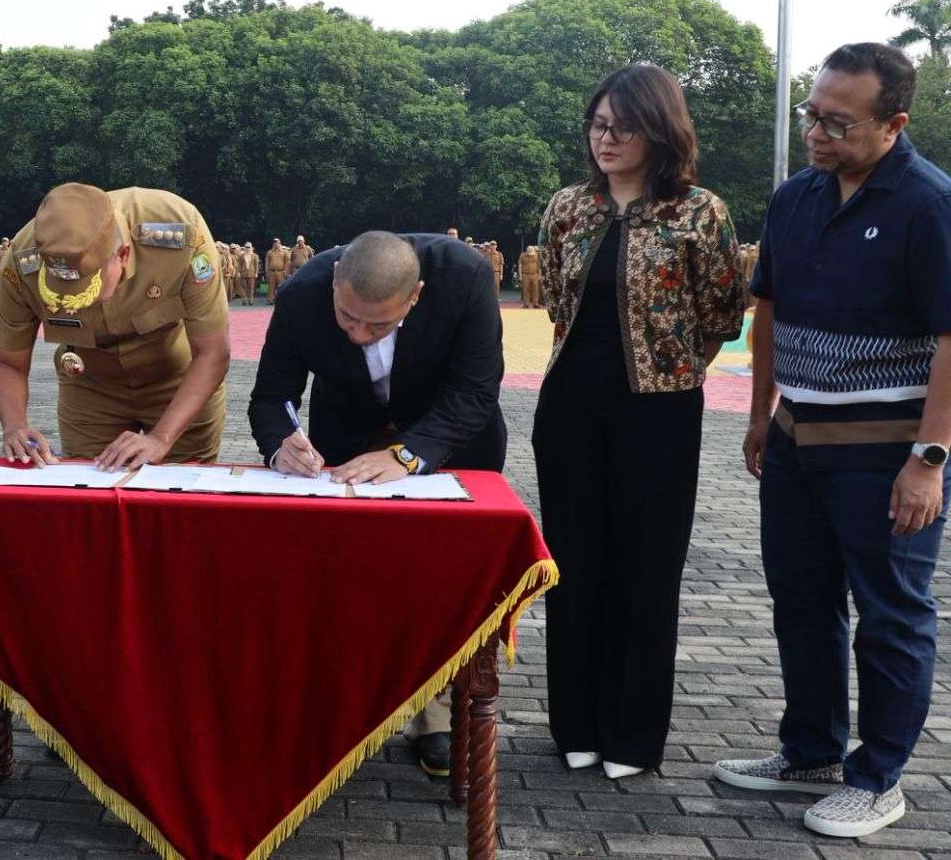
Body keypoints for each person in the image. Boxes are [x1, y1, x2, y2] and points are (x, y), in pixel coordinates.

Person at [714, 44, 951, 838]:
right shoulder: (795, 198)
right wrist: (760, 414)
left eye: (837, 123)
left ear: (894, 125)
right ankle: (811, 747)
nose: (817, 132)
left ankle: (878, 777)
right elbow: (769, 307)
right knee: (802, 601)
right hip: (794, 437)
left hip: (886, 448)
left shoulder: (928, 203)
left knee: (891, 613)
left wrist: (930, 461)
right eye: (811, 114)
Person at [534, 63, 743, 781]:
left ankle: (632, 733)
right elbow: (558, 307)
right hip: (569, 406)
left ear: (660, 129)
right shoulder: (568, 207)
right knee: (573, 562)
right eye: (598, 124)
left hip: (660, 412)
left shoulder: (699, 211)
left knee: (646, 568)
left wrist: (672, 366)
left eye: (622, 125)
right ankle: (576, 724)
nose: (607, 138)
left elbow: (721, 312)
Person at [248, 229, 507, 777]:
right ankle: (344, 711)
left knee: (443, 581)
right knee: (346, 578)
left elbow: (477, 389)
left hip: (450, 440)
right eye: (347, 320)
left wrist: (411, 455)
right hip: (345, 444)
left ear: (415, 295)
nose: (361, 336)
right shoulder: (302, 291)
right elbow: (273, 395)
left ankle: (436, 713)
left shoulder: (465, 276)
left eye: (380, 324)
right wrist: (280, 448)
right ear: (336, 282)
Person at [0, 183, 229, 469]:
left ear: (123, 255)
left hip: (177, 383)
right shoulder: (21, 263)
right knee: (92, 494)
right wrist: (15, 425)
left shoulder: (181, 233)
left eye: (86, 286)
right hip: (91, 389)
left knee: (180, 496)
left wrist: (161, 439)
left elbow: (213, 353)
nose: (74, 299)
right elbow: (9, 362)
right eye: (60, 287)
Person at [265, 238, 289, 303]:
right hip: (272, 272)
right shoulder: (269, 252)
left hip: (281, 272)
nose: (276, 244)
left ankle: (281, 300)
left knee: (281, 287)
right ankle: (271, 300)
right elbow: (267, 262)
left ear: (280, 243)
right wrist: (267, 272)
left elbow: (287, 262)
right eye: (274, 243)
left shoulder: (284, 252)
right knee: (271, 287)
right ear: (273, 244)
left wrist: (285, 271)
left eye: (277, 243)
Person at [238, 241, 260, 305]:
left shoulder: (254, 255)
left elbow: (256, 265)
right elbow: (239, 264)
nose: (247, 248)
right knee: (243, 287)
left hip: (251, 273)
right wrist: (238, 272)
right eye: (246, 247)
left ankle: (250, 300)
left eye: (249, 247)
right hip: (243, 273)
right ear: (245, 248)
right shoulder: (241, 256)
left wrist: (256, 273)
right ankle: (244, 300)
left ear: (251, 248)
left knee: (251, 287)